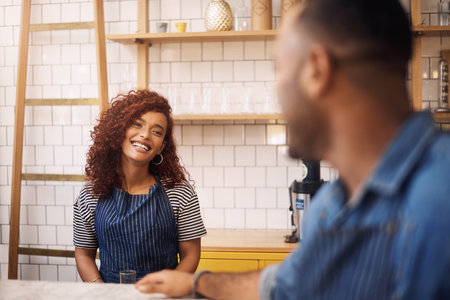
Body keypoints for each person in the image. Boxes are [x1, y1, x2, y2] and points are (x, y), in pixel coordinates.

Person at [134, 0, 450, 299]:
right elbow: (286, 286)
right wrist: (197, 283)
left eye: (279, 69)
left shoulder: (439, 196)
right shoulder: (331, 206)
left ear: (317, 69)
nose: (277, 89)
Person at [73, 89, 206, 283]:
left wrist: (164, 290)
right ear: (119, 131)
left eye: (157, 132)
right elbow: (84, 255)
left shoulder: (179, 192)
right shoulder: (91, 193)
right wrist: (100, 292)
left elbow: (191, 255)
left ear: (161, 147)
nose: (145, 135)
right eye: (137, 125)